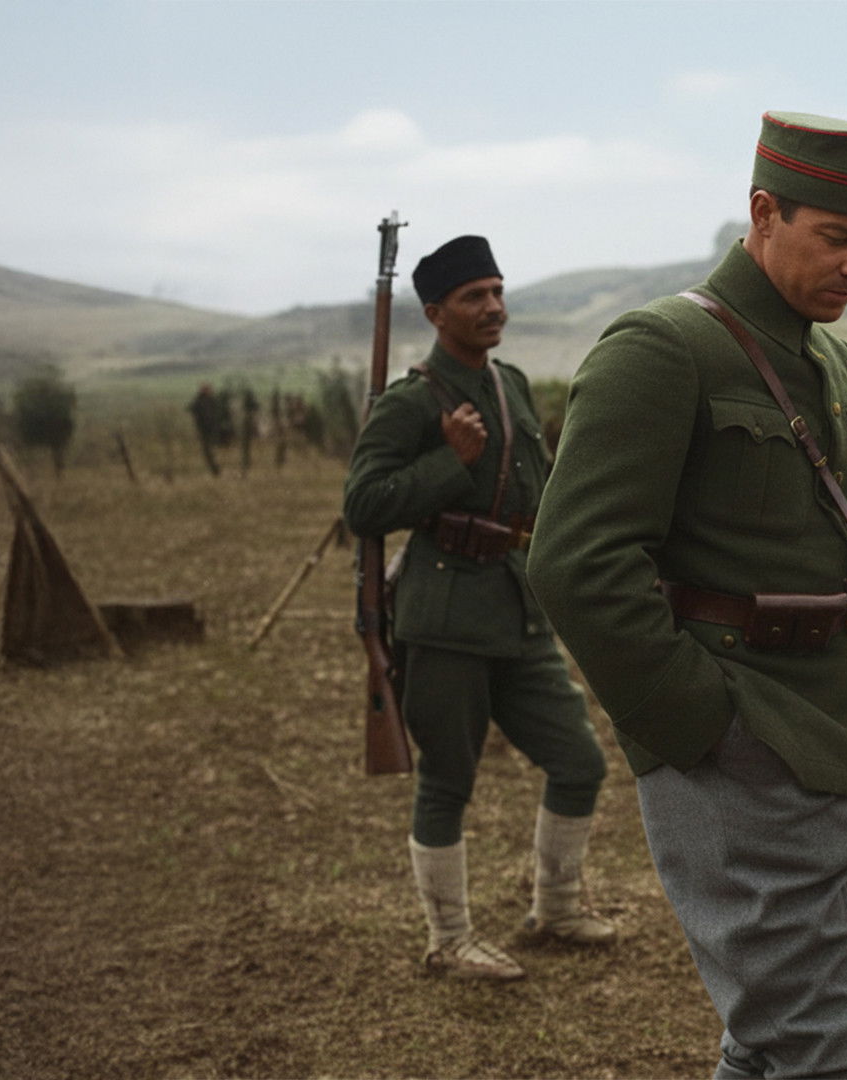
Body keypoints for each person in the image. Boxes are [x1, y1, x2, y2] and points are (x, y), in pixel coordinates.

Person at [528, 111, 847, 1078]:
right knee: (825, 1044)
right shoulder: (662, 347)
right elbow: (577, 562)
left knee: (772, 1041)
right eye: (838, 237)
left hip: (846, 740)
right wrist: (701, 727)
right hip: (745, 748)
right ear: (762, 212)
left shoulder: (831, 360)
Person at [342, 235, 614, 981]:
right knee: (448, 779)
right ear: (435, 313)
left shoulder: (510, 383)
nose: (493, 306)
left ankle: (556, 908)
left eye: (497, 291)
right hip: (445, 616)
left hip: (517, 606)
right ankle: (450, 940)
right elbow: (361, 505)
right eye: (474, 297)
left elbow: (539, 490)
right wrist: (447, 462)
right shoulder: (411, 403)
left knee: (579, 761)